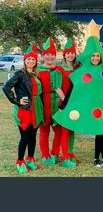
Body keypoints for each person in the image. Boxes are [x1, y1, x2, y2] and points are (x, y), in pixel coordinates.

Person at [53, 35, 103, 168]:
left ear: (100, 57)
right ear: (89, 57)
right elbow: (72, 91)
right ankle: (97, 158)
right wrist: (64, 106)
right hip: (91, 108)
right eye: (93, 56)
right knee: (98, 133)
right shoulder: (81, 72)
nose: (95, 58)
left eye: (97, 56)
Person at [2, 44, 44, 174]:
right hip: (24, 110)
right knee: (25, 137)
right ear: (25, 61)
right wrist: (16, 100)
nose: (31, 61)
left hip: (36, 109)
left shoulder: (36, 74)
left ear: (36, 61)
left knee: (32, 137)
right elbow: (6, 87)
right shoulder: (20, 74)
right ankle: (20, 161)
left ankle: (30, 159)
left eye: (33, 59)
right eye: (28, 59)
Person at [38, 37, 64, 165]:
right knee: (44, 131)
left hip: (57, 103)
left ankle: (55, 153)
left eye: (52, 55)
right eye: (47, 55)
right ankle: (45, 155)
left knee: (58, 131)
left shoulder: (59, 70)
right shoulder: (38, 71)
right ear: (44, 56)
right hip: (43, 103)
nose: (50, 57)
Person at [56, 38, 80, 168]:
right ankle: (64, 156)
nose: (70, 55)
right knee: (65, 130)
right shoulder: (60, 69)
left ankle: (70, 153)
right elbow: (57, 87)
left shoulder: (78, 68)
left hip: (75, 103)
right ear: (64, 54)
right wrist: (66, 102)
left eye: (73, 52)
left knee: (71, 130)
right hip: (64, 102)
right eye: (68, 52)